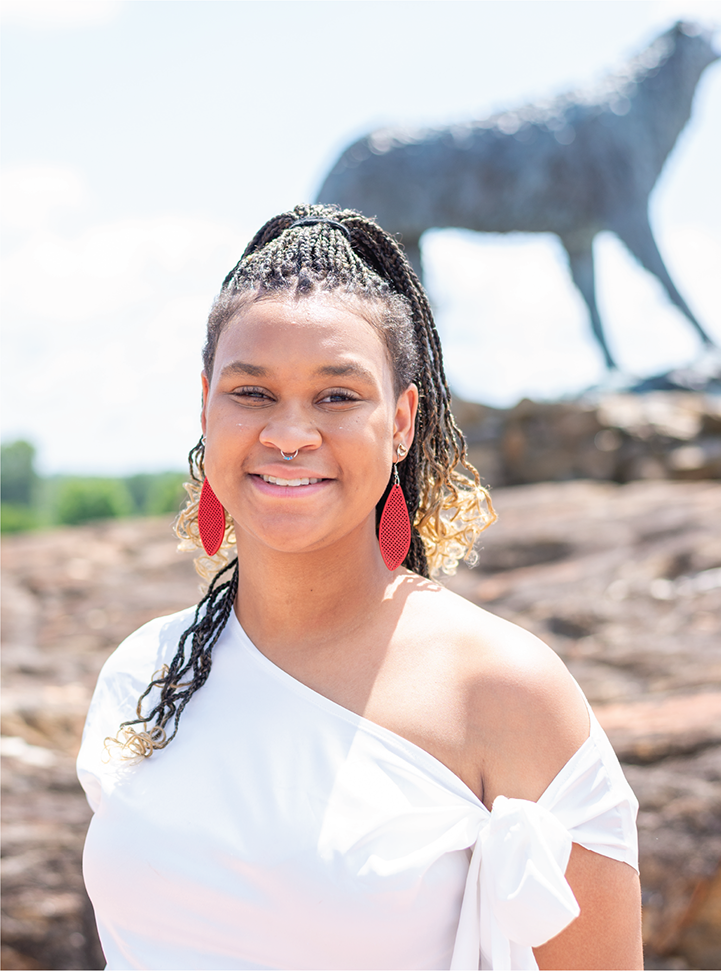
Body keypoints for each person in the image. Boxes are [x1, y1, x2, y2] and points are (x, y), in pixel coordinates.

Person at [77, 204, 642, 971]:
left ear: (403, 420)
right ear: (205, 403)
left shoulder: (503, 691)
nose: (288, 433)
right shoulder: (145, 668)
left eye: (337, 396)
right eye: (251, 393)